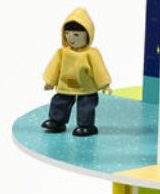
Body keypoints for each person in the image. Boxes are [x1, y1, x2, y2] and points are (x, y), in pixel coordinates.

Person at [41, 7, 111, 137]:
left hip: (86, 87)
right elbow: (54, 68)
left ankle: (86, 126)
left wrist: (105, 84)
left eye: (76, 35)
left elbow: (99, 69)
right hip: (65, 85)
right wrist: (50, 82)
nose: (71, 38)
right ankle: (56, 121)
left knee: (86, 106)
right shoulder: (62, 52)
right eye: (67, 33)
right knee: (59, 102)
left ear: (87, 35)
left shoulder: (91, 54)